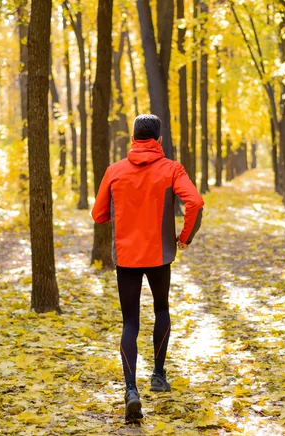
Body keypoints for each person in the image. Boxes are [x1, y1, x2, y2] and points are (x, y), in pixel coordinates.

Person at [91, 114, 204, 422]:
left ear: (133, 139)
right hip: (159, 255)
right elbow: (194, 202)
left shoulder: (114, 171)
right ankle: (158, 376)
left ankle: (130, 391)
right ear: (159, 140)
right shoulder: (171, 169)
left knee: (130, 322)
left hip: (126, 257)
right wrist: (183, 238)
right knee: (161, 309)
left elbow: (98, 215)